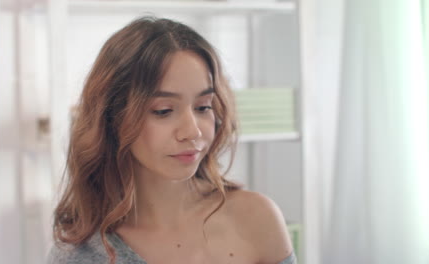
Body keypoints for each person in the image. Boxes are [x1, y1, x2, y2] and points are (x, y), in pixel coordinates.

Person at [47, 16, 296, 264]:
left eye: (203, 107)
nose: (193, 131)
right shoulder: (82, 254)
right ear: (113, 118)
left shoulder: (258, 218)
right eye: (163, 111)